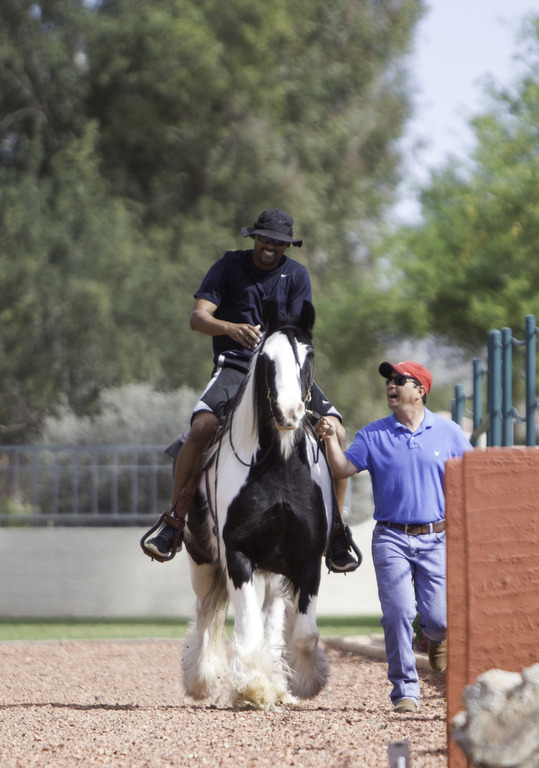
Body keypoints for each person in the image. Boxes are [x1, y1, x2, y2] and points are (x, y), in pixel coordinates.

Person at [141, 208, 359, 573]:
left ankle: (336, 530)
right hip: (236, 366)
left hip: (283, 368)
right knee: (201, 428)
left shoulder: (297, 276)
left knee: (336, 430)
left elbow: (297, 331)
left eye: (279, 242)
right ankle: (174, 520)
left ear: (287, 246)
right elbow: (198, 318)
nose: (271, 247)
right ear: (254, 238)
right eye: (265, 239)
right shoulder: (228, 266)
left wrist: (276, 349)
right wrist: (230, 328)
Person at [317, 360, 472, 713]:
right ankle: (405, 689)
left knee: (440, 619)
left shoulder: (448, 433)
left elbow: (475, 475)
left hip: (436, 538)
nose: (391, 385)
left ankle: (435, 638)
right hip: (390, 538)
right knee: (397, 613)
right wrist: (329, 440)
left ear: (420, 390)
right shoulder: (374, 434)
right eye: (389, 380)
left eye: (400, 380)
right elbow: (342, 468)